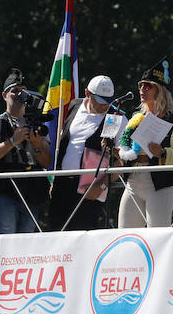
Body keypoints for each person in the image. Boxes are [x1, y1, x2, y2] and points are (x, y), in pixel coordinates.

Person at [117, 61, 173, 228]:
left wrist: (163, 153)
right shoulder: (135, 118)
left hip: (159, 185)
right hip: (133, 183)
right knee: (125, 236)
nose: (142, 89)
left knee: (158, 239)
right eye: (141, 86)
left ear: (160, 91)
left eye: (148, 86)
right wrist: (117, 153)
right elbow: (127, 152)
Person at [0, 69, 52, 233]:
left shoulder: (36, 122)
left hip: (31, 191)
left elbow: (47, 162)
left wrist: (37, 145)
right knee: (7, 238)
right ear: (4, 95)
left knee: (26, 242)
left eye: (22, 91)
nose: (19, 94)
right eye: (14, 91)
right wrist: (14, 141)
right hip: (4, 190)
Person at [48, 75, 120, 231]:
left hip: (89, 189)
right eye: (100, 101)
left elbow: (121, 162)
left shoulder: (115, 117)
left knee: (82, 237)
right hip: (62, 184)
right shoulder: (75, 105)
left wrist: (101, 186)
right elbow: (65, 143)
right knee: (54, 233)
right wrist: (55, 179)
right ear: (87, 94)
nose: (105, 106)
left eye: (109, 101)